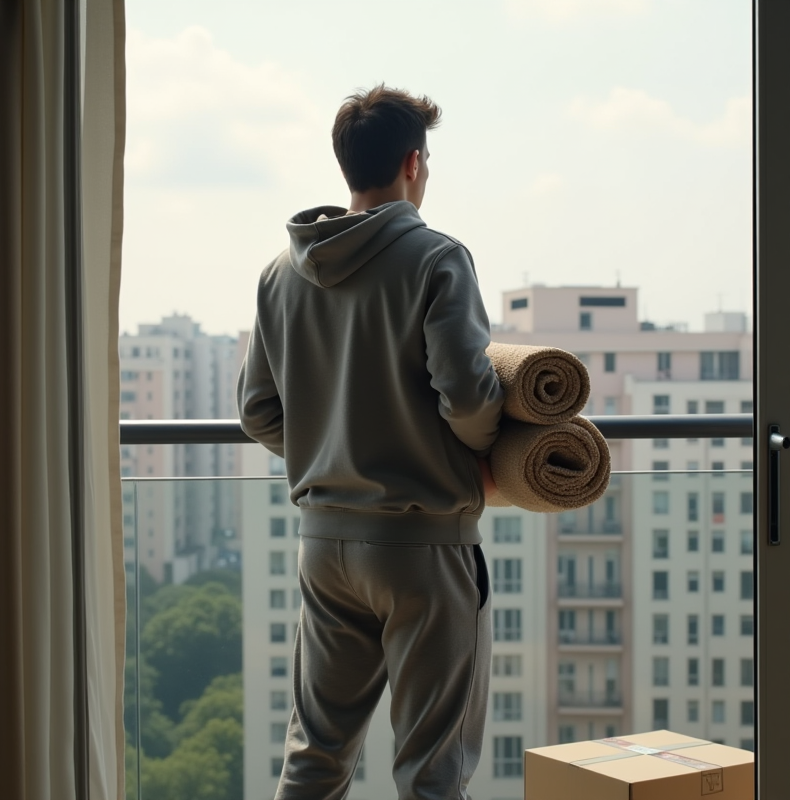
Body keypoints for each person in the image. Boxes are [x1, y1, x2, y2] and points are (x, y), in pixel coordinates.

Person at [237, 84, 506, 800]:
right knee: (431, 772)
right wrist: (484, 454)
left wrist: (332, 446)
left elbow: (258, 412)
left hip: (325, 547)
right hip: (425, 547)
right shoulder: (436, 258)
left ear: (347, 164)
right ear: (413, 163)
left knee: (315, 758)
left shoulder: (280, 273)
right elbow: (470, 397)